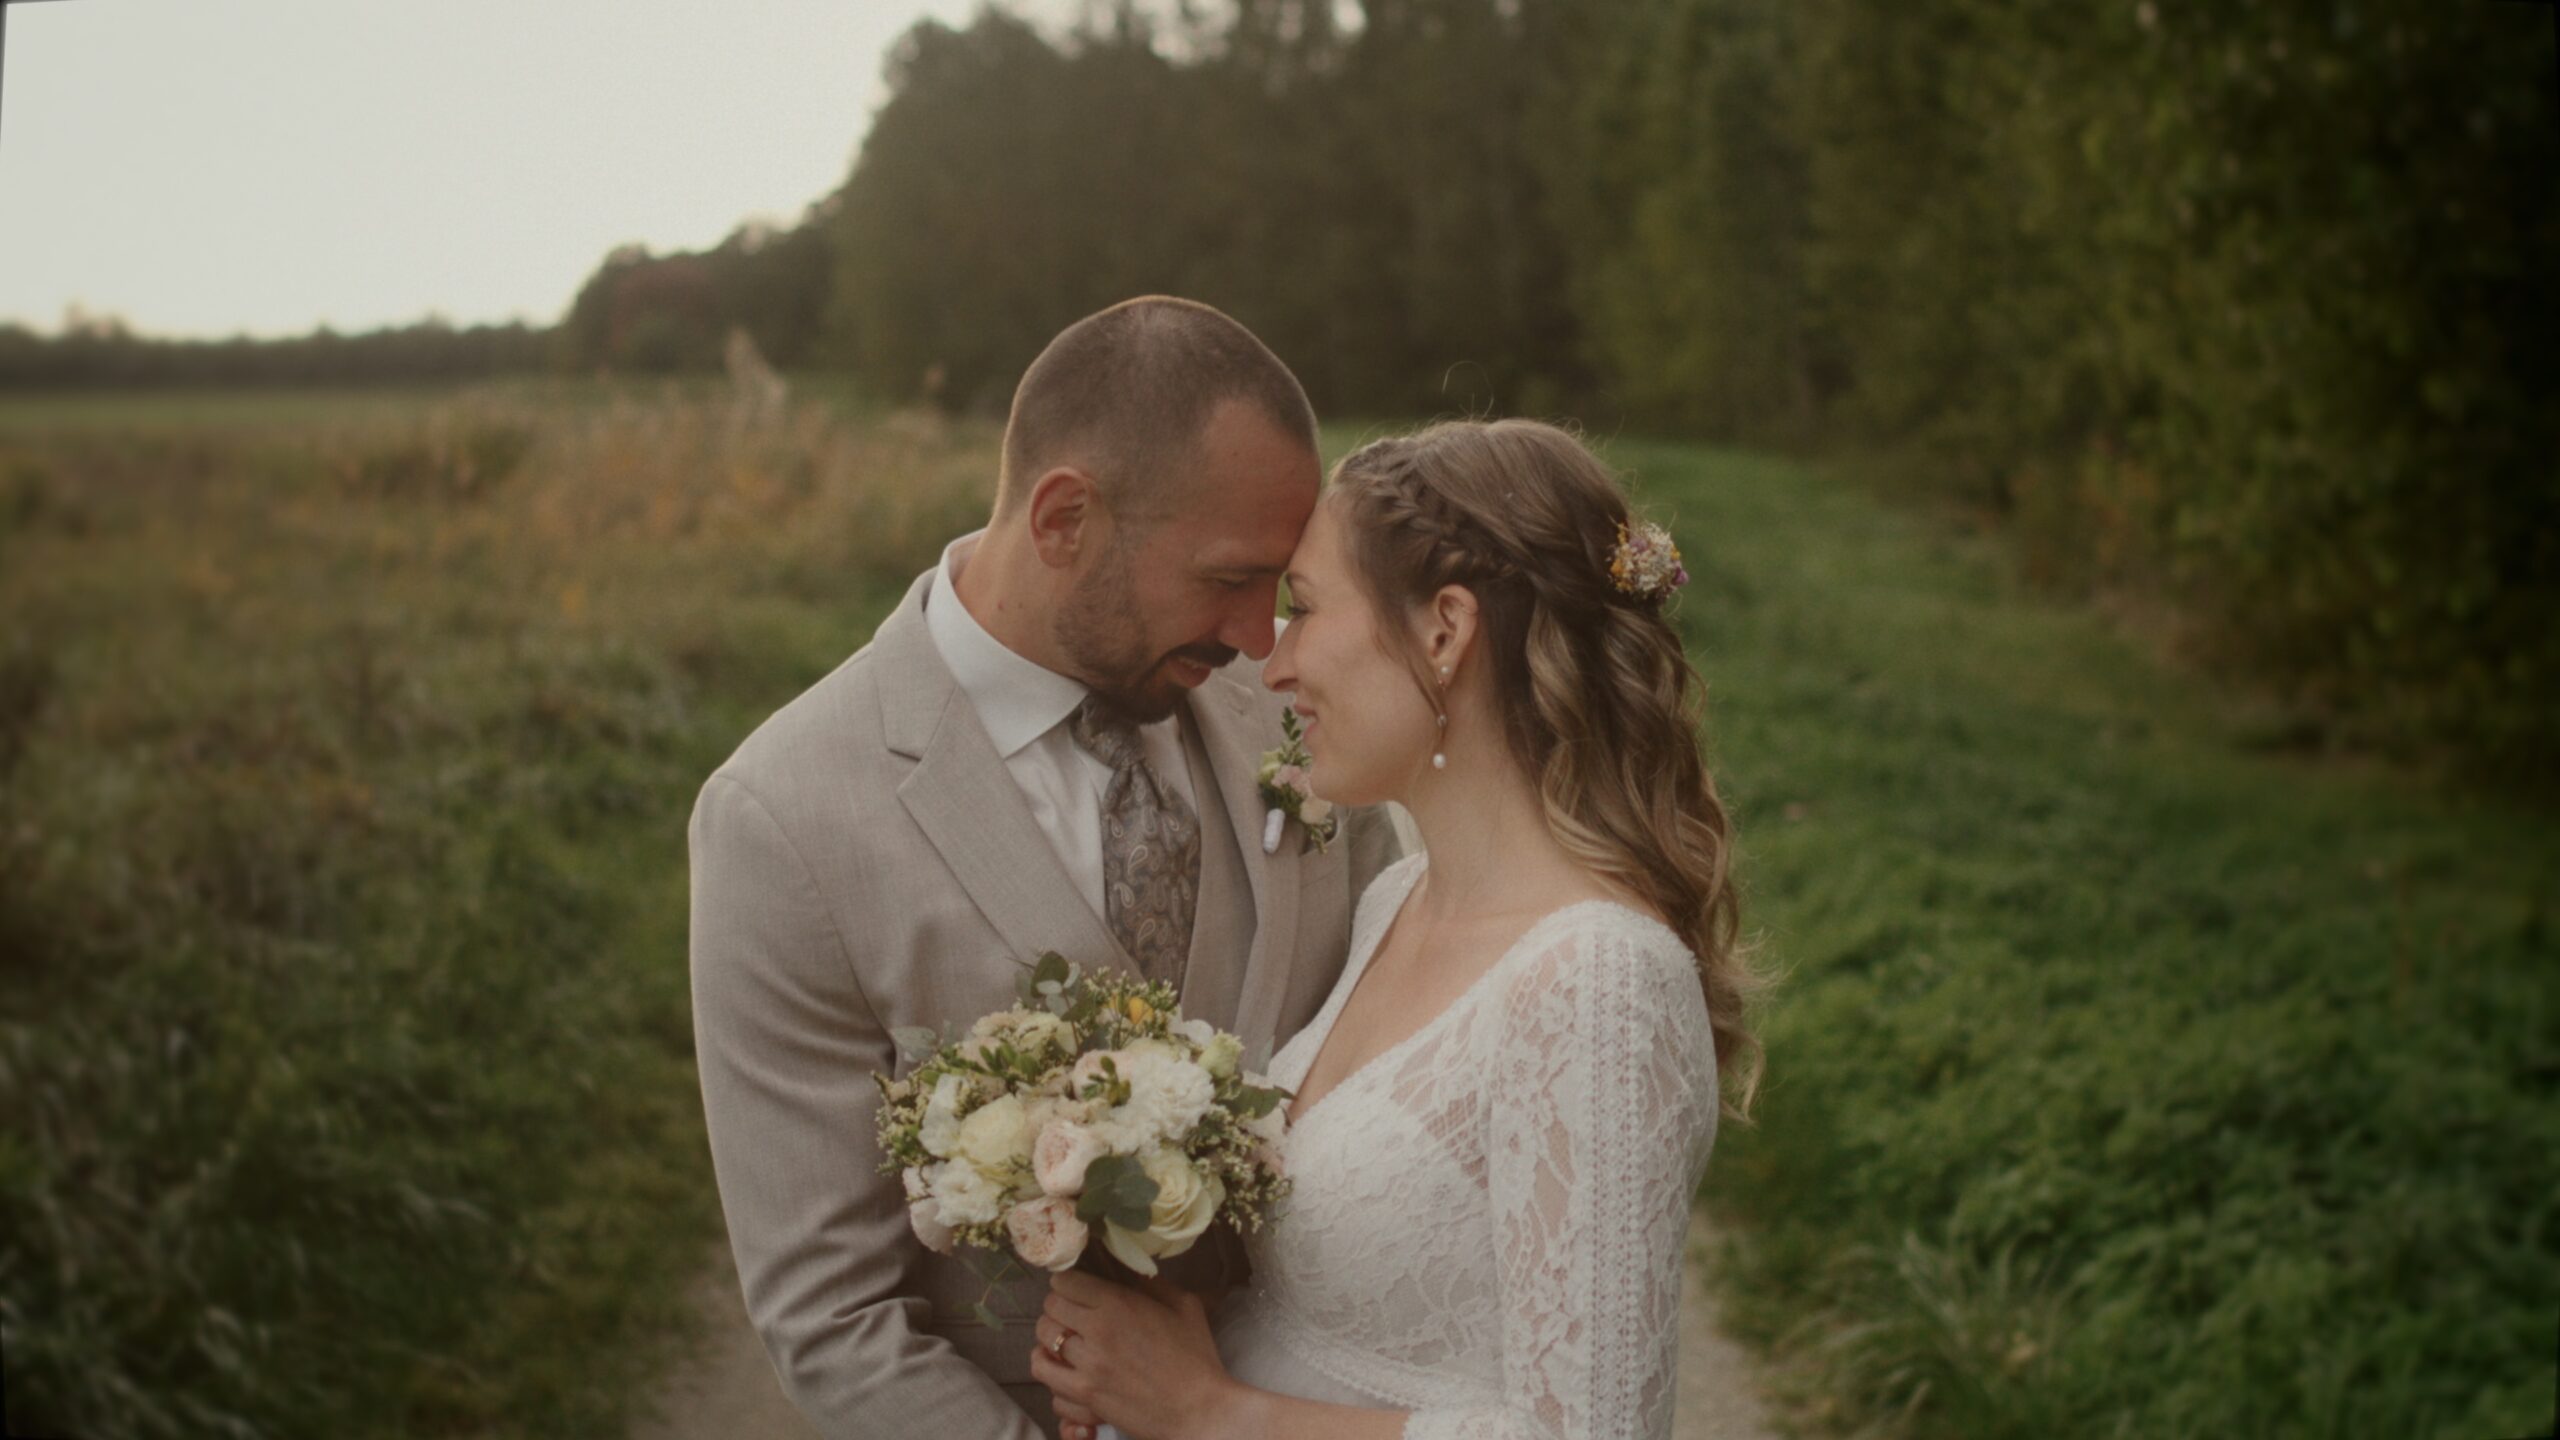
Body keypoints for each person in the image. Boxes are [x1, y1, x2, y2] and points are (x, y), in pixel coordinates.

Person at [688, 296, 1405, 1439]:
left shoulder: (1294, 711)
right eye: (1227, 578)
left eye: (1276, 586)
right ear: (1064, 517)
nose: (1259, 637)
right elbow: (832, 1319)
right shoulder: (784, 820)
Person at [1029, 418, 1763, 1440]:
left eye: (1304, 607)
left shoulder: (1596, 980)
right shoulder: (1397, 899)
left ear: (1445, 632)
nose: (1273, 663)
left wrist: (1208, 1409)